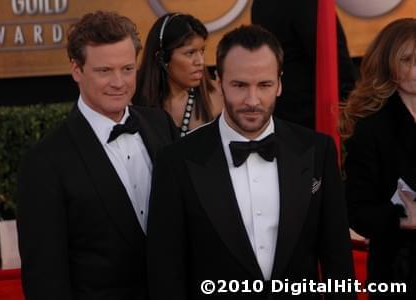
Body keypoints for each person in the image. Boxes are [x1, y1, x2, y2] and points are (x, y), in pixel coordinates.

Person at [147, 25, 355, 300]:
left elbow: (337, 259)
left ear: (280, 83)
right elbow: (166, 273)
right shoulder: (177, 162)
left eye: (264, 85)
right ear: (218, 81)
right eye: (240, 85)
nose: (252, 100)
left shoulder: (317, 150)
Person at [16, 11, 177, 300]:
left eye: (127, 69)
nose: (119, 82)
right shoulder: (44, 162)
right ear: (76, 70)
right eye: (105, 71)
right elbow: (45, 279)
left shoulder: (160, 125)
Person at [340, 18, 416, 299]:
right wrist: (402, 220)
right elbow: (357, 211)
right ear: (389, 64)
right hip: (397, 270)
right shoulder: (371, 128)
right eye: (408, 59)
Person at [251, 0, 357, 129]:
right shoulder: (305, 3)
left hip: (281, 111)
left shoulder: (260, 3)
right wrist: (351, 103)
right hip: (315, 113)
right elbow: (333, 57)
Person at [135, 13, 223, 137]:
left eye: (202, 51)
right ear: (162, 57)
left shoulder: (218, 98)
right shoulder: (132, 101)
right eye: (190, 53)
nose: (200, 62)